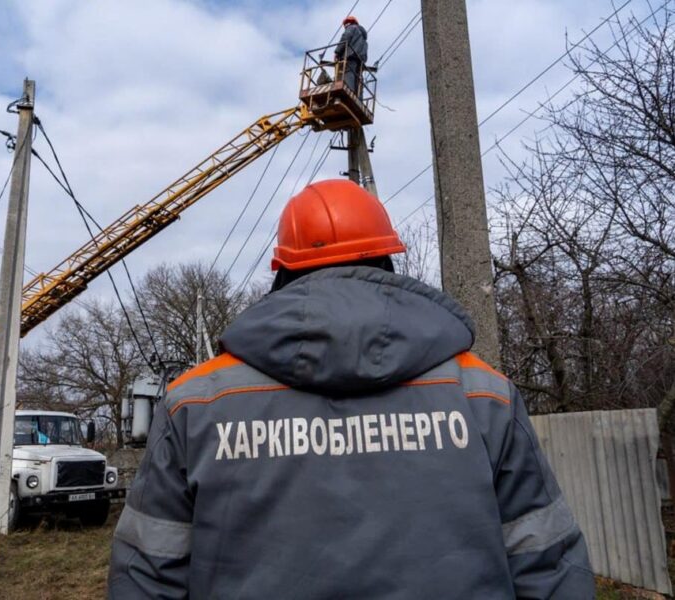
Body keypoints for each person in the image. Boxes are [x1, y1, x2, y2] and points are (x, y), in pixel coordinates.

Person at [108, 180, 594, 598]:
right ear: (386, 261)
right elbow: (549, 565)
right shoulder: (484, 395)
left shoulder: (196, 403)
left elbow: (147, 575)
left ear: (283, 271)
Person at [334, 15, 367, 95]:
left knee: (348, 72)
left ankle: (349, 92)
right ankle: (358, 96)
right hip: (360, 60)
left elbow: (345, 38)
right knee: (358, 78)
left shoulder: (351, 28)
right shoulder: (364, 39)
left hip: (350, 55)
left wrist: (337, 52)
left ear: (349, 23)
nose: (345, 26)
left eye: (346, 24)